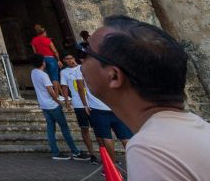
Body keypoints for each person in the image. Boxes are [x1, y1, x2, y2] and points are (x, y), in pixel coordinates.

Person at [83, 15, 210, 180]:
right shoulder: (200, 130)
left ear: (113, 76)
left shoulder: (150, 149)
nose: (81, 60)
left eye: (85, 52)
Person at [29, 54, 89, 161]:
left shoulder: (33, 72)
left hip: (43, 105)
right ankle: (75, 152)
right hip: (52, 105)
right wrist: (59, 101)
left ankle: (55, 152)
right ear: (43, 62)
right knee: (64, 128)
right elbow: (51, 91)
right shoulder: (44, 75)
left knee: (50, 128)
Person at [59, 54, 98, 164]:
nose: (70, 60)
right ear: (64, 60)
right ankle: (92, 154)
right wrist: (67, 100)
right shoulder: (64, 72)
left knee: (98, 129)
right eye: (67, 58)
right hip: (78, 103)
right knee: (84, 128)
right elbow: (64, 87)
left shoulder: (83, 67)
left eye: (71, 58)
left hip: (92, 102)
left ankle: (106, 153)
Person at [31, 24, 63, 97]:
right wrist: (58, 60)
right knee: (54, 77)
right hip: (51, 58)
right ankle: (57, 95)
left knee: (45, 77)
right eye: (46, 33)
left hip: (41, 59)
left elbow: (35, 52)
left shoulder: (33, 40)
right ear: (43, 32)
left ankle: (49, 94)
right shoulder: (48, 40)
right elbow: (55, 51)